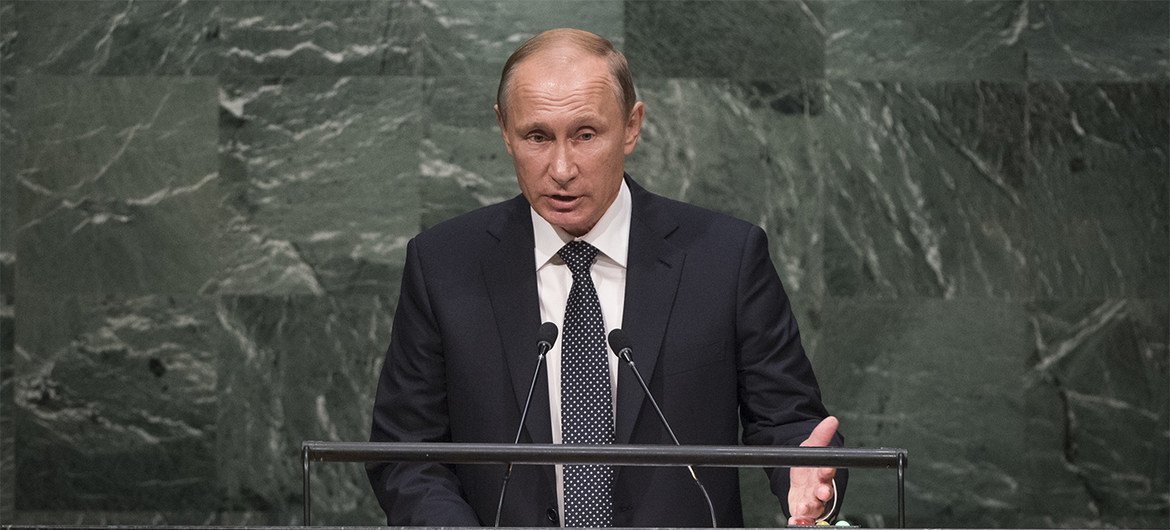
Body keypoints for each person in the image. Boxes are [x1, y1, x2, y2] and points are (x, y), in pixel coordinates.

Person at [367, 28, 845, 527]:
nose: (561, 168)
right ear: (504, 130)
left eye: (586, 135)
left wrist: (808, 477)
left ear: (632, 127)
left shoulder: (724, 259)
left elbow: (790, 423)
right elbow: (406, 451)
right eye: (537, 136)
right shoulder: (444, 265)